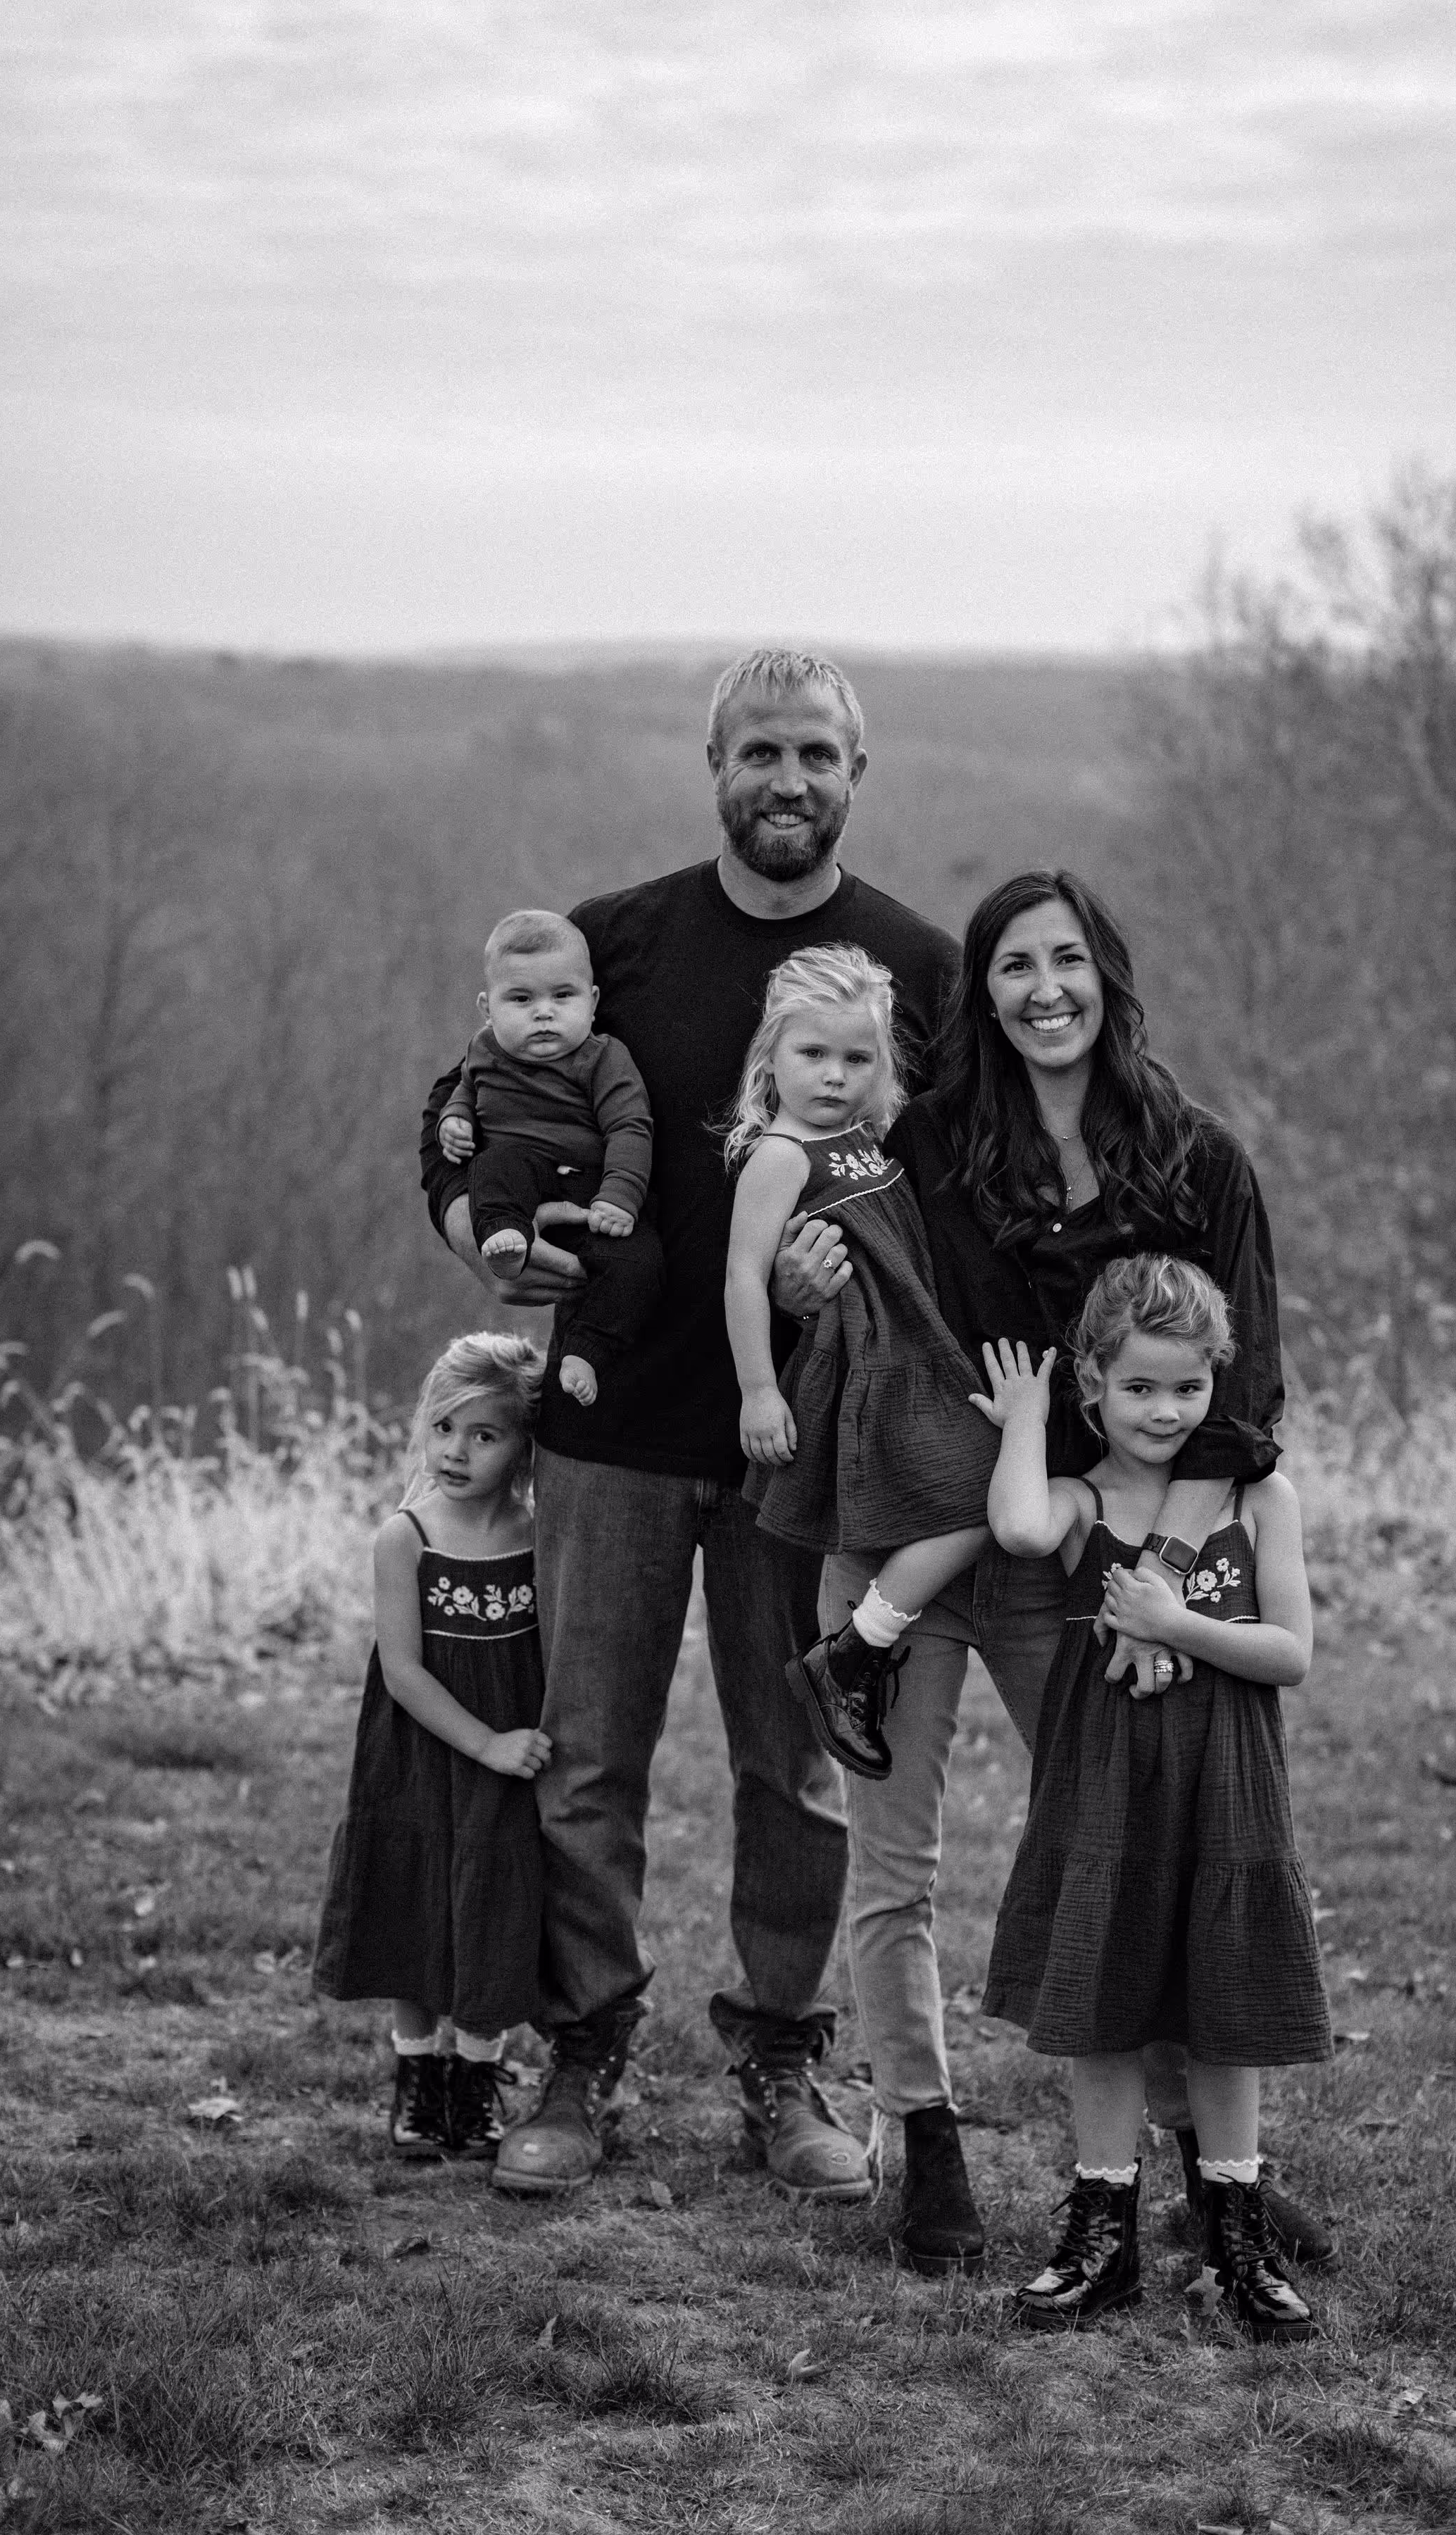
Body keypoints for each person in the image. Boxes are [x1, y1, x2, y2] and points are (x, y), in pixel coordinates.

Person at [418, 650, 958, 2202]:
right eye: (758, 752)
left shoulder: (911, 970)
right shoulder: (614, 947)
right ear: (709, 762)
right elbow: (460, 1120)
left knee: (792, 1769)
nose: (786, 782)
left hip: (820, 1452)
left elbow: (960, 1197)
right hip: (616, 1427)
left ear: (862, 770)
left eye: (816, 756)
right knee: (589, 1757)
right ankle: (583, 2052)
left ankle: (782, 2055)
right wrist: (482, 1235)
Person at [791, 868, 1329, 2279]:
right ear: (984, 994)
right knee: (893, 1865)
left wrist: (1160, 1579)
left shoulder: (1197, 1160)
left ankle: (1213, 2179)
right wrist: (787, 1275)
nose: (1045, 990)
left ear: (1108, 975)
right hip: (902, 1529)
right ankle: (927, 2147)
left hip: (1074, 1555)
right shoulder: (926, 1148)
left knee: (1129, 1844)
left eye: (1068, 961)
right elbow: (820, 1239)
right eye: (1015, 966)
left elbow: (1246, 1386)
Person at [979, 1257, 1331, 2339]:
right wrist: (1026, 1420)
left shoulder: (1257, 1497)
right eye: (1137, 1388)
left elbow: (1291, 1654)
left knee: (1224, 2008)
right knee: (1106, 2000)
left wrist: (1176, 1625)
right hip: (1107, 1783)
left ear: (1217, 1382)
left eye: (1186, 1388)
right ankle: (1103, 2237)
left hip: (1227, 1783)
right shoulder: (1089, 1500)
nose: (1164, 1412)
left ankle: (1237, 2236)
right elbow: (1021, 1532)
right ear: (1095, 1382)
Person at [722, 944, 997, 1779]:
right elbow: (742, 1274)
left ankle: (854, 1653)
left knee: (996, 1490)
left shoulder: (861, 1138)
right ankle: (853, 1652)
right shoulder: (780, 1156)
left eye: (856, 1057)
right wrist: (759, 1391)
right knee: (986, 1490)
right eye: (813, 1054)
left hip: (919, 1355)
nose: (835, 1075)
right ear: (772, 1057)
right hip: (869, 1368)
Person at [314, 1332, 551, 2161]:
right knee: (414, 1907)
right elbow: (406, 1674)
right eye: (444, 1426)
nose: (456, 1450)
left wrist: (514, 1745)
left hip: (507, 1763)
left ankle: (476, 2078)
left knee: (495, 1904)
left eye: (484, 1435)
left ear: (523, 1447)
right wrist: (484, 1742)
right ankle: (417, 2080)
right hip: (419, 1755)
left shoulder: (537, 1536)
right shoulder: (405, 1537)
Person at [436, 908, 663, 1408]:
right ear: (487, 1008)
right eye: (522, 999)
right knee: (494, 1167)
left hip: (589, 1191)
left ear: (593, 1000)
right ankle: (504, 1236)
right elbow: (465, 1093)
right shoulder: (484, 1050)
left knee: (641, 1265)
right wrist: (454, 1121)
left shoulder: (604, 1058)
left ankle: (586, 1350)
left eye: (563, 997)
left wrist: (620, 1197)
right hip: (518, 1184)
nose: (544, 1013)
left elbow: (630, 1127)